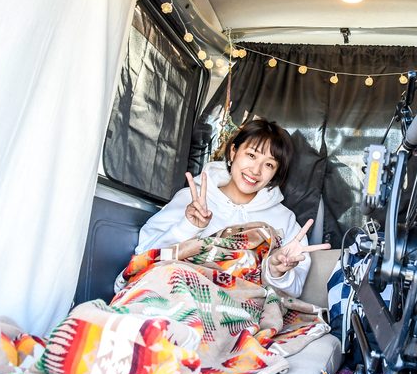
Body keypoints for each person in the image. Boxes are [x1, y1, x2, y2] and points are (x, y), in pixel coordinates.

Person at [135, 118, 329, 297]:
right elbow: (144, 253)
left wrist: (276, 271)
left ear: (275, 173)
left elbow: (295, 290)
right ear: (233, 152)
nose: (256, 170)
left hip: (237, 309)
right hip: (175, 294)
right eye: (251, 155)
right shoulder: (192, 200)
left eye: (269, 165)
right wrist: (188, 226)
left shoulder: (284, 219)